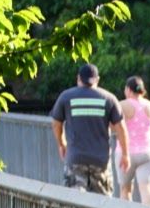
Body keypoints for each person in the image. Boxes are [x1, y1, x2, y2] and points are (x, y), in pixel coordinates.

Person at [50, 63, 129, 194]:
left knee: (74, 202)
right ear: (97, 79)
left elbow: (55, 123)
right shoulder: (109, 98)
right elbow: (121, 128)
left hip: (75, 159)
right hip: (100, 160)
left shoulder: (66, 97)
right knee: (102, 205)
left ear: (78, 78)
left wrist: (61, 143)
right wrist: (125, 154)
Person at [119, 75, 150, 205]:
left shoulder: (122, 105)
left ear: (128, 90)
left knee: (125, 189)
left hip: (126, 153)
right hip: (148, 153)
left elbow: (115, 127)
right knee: (146, 188)